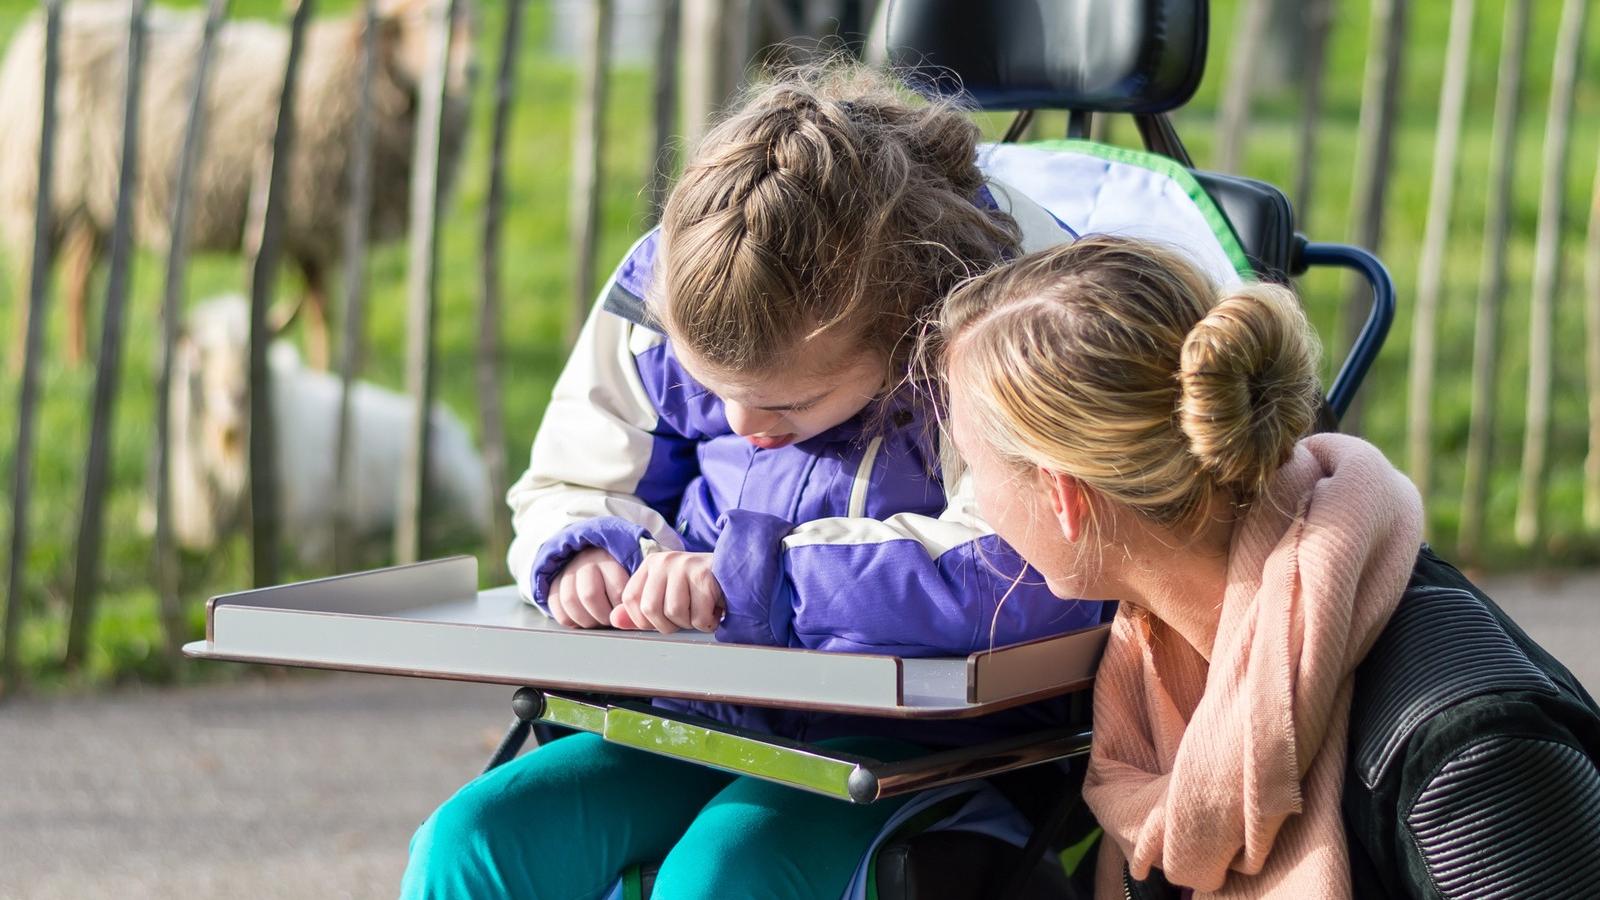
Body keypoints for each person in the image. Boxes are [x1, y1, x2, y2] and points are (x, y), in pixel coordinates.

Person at [400, 65, 1105, 900]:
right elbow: (569, 474)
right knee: (475, 841)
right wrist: (586, 551)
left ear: (907, 325)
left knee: (726, 875)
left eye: (788, 400)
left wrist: (753, 582)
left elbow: (1029, 567)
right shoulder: (691, 264)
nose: (740, 424)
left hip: (935, 751)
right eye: (713, 388)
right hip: (702, 714)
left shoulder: (1010, 309)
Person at [932, 234, 1600, 899]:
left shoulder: (1468, 750)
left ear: (1062, 496)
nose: (972, 503)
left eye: (972, 466)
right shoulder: (1157, 680)